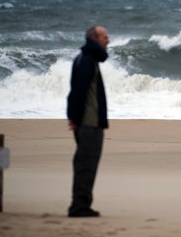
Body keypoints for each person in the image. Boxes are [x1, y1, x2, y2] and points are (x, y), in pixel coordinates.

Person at [67, 25, 110, 217]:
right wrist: (75, 119)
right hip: (88, 124)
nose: (108, 41)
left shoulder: (86, 59)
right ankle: (79, 207)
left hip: (89, 123)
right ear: (93, 39)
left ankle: (82, 205)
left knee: (86, 165)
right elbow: (78, 92)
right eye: (104, 37)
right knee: (86, 166)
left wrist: (73, 118)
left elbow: (74, 91)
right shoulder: (86, 61)